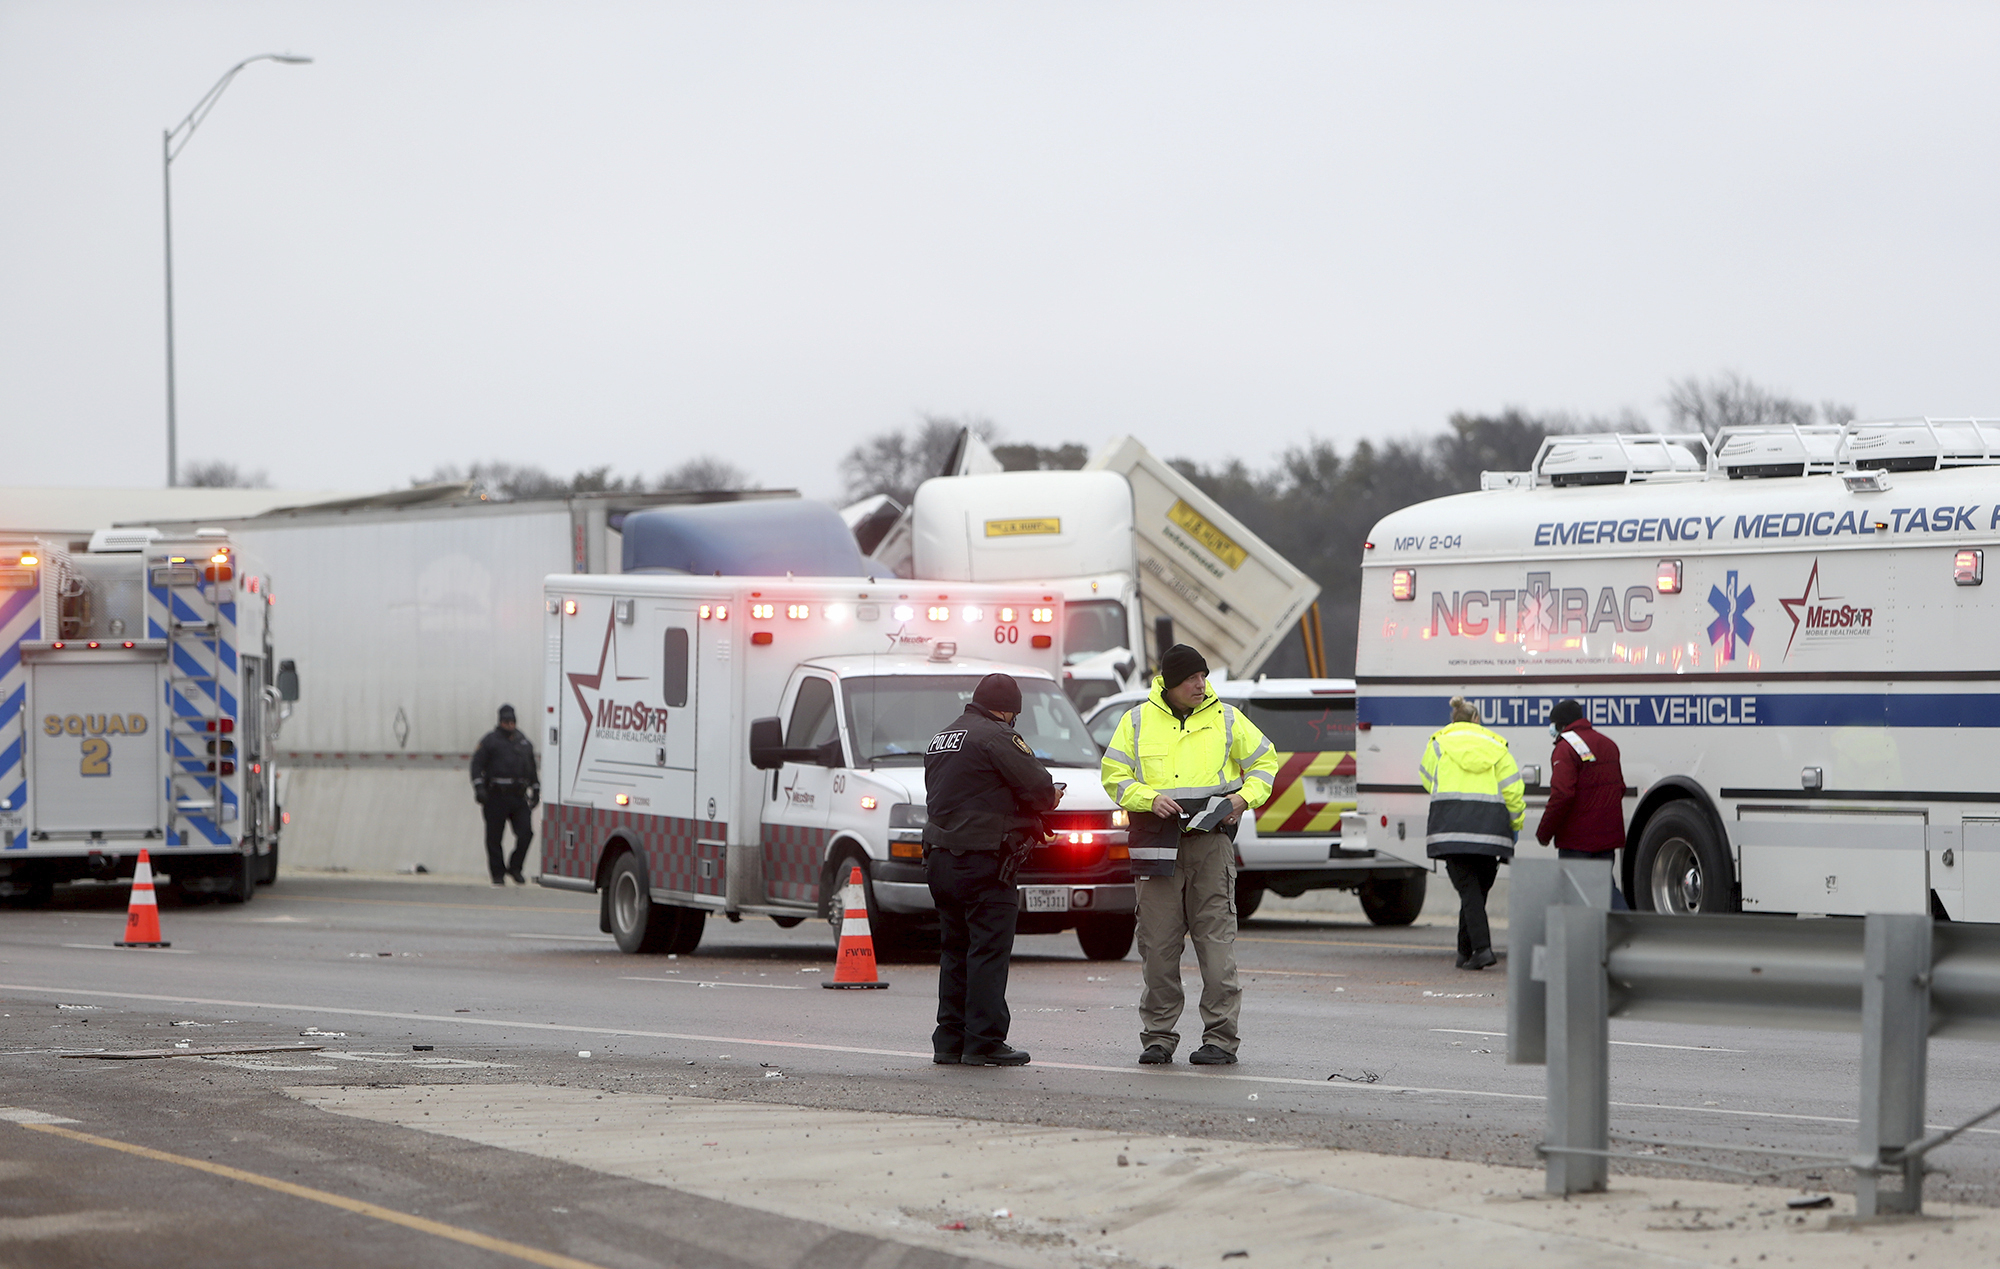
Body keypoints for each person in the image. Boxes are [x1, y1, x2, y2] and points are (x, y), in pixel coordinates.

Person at [1100, 644, 1280, 1066]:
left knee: (1216, 946)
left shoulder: (1227, 718)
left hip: (1210, 844)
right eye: (1191, 679)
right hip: (1156, 844)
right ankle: (1158, 1039)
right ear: (1169, 683)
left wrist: (1241, 799)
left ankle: (1220, 1039)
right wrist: (1147, 798)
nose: (1201, 684)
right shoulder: (1137, 721)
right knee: (1158, 948)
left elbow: (1265, 763)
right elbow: (1113, 776)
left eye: (1203, 676)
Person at [923, 672, 1062, 1067]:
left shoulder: (942, 737)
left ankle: (949, 1041)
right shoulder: (997, 735)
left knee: (955, 950)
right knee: (987, 951)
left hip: (940, 859)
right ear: (1009, 711)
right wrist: (1052, 795)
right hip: (983, 860)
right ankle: (983, 1041)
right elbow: (1039, 789)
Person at [1419, 697, 1525, 971]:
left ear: (1454, 719)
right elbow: (1513, 792)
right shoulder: (1498, 746)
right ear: (1476, 719)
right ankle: (1464, 951)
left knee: (1469, 892)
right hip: (1491, 832)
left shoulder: (1438, 744)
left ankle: (1481, 949)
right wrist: (1515, 825)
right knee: (1475, 893)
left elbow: (1427, 780)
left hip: (1452, 829)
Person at [1535, 698, 1630, 909]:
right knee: (1604, 889)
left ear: (1560, 725)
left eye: (1552, 725)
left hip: (1576, 840)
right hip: (1606, 837)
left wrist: (1544, 832)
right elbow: (1620, 787)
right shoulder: (1608, 744)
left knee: (1575, 894)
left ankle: (1582, 939)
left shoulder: (1565, 748)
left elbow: (1562, 794)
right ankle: (1624, 932)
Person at [471, 704, 540, 886]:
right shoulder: (490, 741)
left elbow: (531, 768)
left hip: (518, 797)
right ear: (500, 722)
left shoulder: (523, 742)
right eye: (506, 721)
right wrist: (479, 788)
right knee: (494, 838)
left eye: (512, 721)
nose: (509, 725)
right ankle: (497, 873)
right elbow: (476, 766)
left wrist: (536, 788)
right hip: (496, 797)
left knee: (526, 833)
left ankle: (515, 867)